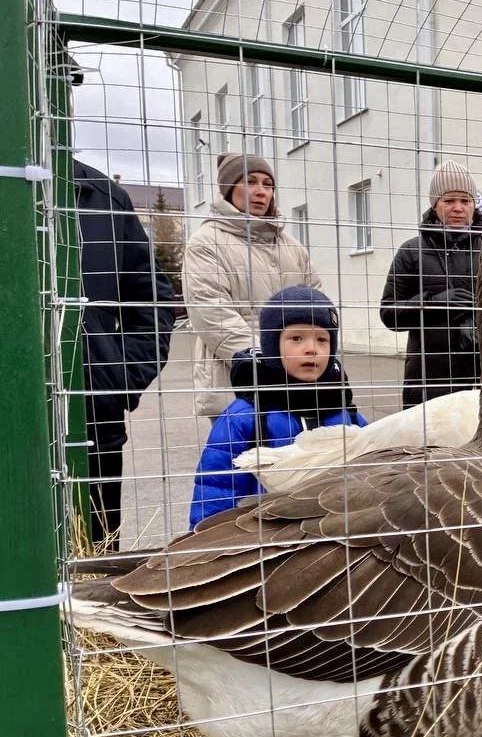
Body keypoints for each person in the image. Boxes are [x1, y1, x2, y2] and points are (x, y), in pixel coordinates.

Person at [189, 286, 367, 528]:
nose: (311, 348)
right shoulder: (244, 418)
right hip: (262, 537)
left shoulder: (349, 415)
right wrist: (206, 545)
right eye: (296, 338)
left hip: (333, 540)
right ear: (273, 346)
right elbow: (216, 489)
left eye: (322, 339)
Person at [74, 160, 177, 549]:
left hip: (92, 420)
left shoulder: (101, 196)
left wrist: (119, 378)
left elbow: (150, 297)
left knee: (91, 559)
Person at [184, 152, 319, 420]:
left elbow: (317, 306)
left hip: (296, 379)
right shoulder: (205, 244)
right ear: (228, 189)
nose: (261, 192)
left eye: (268, 185)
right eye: (250, 182)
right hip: (235, 382)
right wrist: (267, 359)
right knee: (238, 459)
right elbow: (210, 312)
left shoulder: (293, 248)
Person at [380, 160, 482, 408]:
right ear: (434, 205)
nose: (458, 208)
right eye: (449, 201)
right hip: (428, 379)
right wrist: (434, 304)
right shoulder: (411, 252)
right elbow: (388, 314)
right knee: (428, 445)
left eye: (465, 201)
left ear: (474, 205)